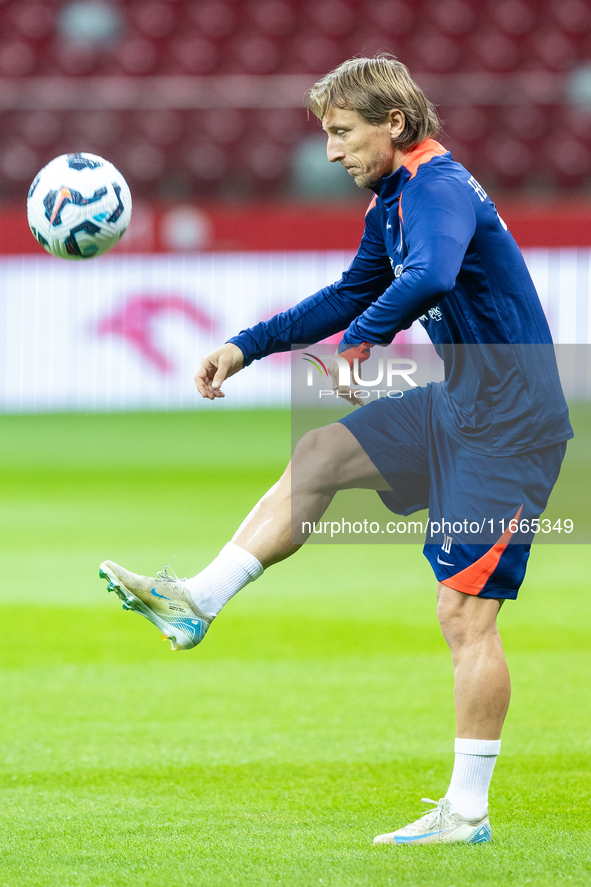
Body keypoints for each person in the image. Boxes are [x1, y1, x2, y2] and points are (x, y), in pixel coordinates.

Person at [100, 55, 572, 846]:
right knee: (320, 452)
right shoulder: (394, 199)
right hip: (461, 406)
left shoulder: (438, 188)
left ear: (393, 123)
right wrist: (245, 345)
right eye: (326, 134)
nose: (329, 152)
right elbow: (351, 291)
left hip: (512, 428)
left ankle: (466, 809)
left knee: (464, 613)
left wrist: (362, 341)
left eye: (341, 133)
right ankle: (198, 601)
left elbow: (429, 275)